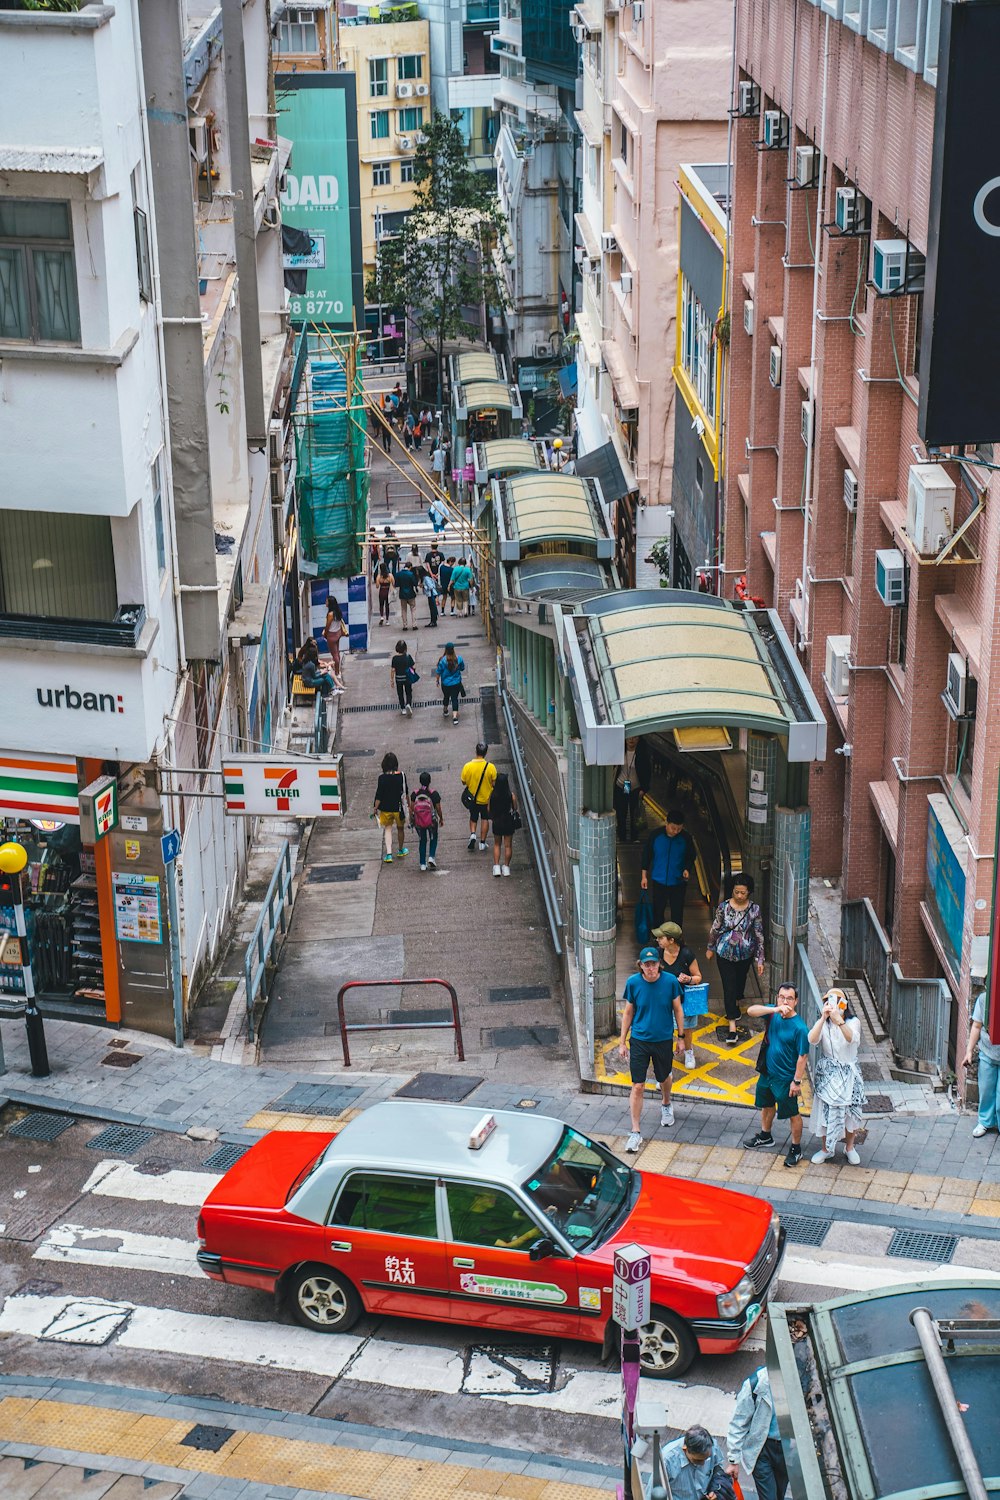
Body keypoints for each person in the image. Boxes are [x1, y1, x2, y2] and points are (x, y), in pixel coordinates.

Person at [618, 947, 685, 1152]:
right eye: (646, 964)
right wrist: (622, 1042)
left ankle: (666, 1104)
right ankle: (635, 1132)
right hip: (639, 1040)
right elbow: (628, 1013)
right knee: (638, 1085)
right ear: (641, 965)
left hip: (663, 1039)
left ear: (659, 964)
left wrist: (681, 1038)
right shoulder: (633, 983)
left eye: (654, 964)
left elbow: (678, 1010)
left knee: (664, 1077)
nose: (650, 968)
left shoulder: (671, 982)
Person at [744, 982, 811, 1167]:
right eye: (781, 997)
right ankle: (765, 1136)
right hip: (767, 1072)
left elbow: (802, 1057)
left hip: (785, 1079)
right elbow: (751, 1011)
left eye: (789, 998)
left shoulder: (800, 1028)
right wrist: (774, 1009)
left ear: (796, 1001)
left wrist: (796, 1082)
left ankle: (796, 1149)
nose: (785, 1001)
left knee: (792, 1114)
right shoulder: (773, 1013)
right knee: (766, 1105)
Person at [705, 873, 766, 1045]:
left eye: (743, 893)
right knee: (729, 986)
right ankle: (732, 1026)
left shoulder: (754, 910)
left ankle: (736, 1001)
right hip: (724, 953)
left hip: (745, 955)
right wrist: (710, 948)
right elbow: (715, 928)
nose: (739, 896)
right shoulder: (723, 907)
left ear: (749, 892)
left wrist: (760, 959)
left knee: (739, 984)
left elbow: (759, 934)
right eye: (736, 892)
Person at [809, 988, 867, 1164]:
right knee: (826, 1112)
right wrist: (822, 1018)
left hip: (849, 1073)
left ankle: (849, 1147)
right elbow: (812, 1039)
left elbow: (851, 1038)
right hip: (829, 1073)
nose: (832, 1004)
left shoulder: (853, 1021)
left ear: (844, 1004)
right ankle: (826, 1149)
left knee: (851, 1113)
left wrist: (839, 1021)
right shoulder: (824, 1024)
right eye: (828, 1001)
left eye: (836, 1001)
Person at [726, 1366, 789, 1500]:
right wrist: (733, 1460)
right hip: (762, 1449)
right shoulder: (756, 1384)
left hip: (788, 1449)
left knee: (779, 1494)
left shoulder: (800, 1382)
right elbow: (739, 1422)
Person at [653, 921, 703, 1069]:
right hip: (663, 1001)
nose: (657, 940)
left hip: (683, 1000)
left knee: (686, 1029)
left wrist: (689, 979)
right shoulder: (657, 954)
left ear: (671, 940)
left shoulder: (686, 954)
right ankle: (664, 1056)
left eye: (661, 938)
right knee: (664, 1029)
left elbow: (698, 976)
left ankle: (688, 1052)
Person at [640, 809, 695, 927]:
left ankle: (676, 939)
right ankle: (657, 938)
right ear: (667, 823)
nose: (676, 831)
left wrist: (687, 869)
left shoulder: (685, 838)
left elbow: (691, 856)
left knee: (677, 912)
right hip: (659, 880)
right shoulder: (656, 835)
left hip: (678, 882)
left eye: (679, 829)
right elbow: (647, 855)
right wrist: (644, 876)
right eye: (673, 828)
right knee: (658, 911)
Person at [965, 990, 1000, 1138]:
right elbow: (977, 1026)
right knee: (985, 1090)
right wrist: (969, 1051)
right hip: (987, 1052)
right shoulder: (984, 999)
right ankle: (985, 1122)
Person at [661, 1426, 727, 1500]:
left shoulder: (713, 1447)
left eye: (706, 1459)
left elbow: (717, 1469)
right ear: (685, 1449)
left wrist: (714, 1488)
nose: (703, 1464)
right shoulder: (667, 1460)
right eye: (698, 1460)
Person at [372, 751, 408, 863]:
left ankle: (389, 854)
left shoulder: (382, 778)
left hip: (386, 809)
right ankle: (401, 850)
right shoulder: (401, 776)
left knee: (388, 829)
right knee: (400, 828)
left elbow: (379, 795)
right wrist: (410, 807)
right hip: (399, 809)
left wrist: (375, 808)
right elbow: (406, 792)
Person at [613, 737, 651, 842]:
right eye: (629, 738)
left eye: (635, 738)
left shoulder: (642, 754)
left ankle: (635, 837)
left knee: (635, 813)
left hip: (635, 788)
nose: (631, 740)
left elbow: (647, 772)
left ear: (639, 739)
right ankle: (622, 837)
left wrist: (644, 789)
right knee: (621, 813)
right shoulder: (619, 751)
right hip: (621, 786)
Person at [461, 740, 496, 851]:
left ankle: (472, 834)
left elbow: (463, 782)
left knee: (473, 817)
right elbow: (494, 783)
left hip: (473, 799)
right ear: (485, 753)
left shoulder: (468, 766)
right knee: (485, 818)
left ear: (476, 751)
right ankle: (482, 842)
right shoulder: (491, 767)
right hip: (486, 800)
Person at [410, 770, 443, 872]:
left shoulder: (415, 794)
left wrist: (412, 820)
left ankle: (422, 864)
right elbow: (438, 808)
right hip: (431, 821)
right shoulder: (433, 794)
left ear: (420, 781)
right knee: (433, 837)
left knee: (422, 840)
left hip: (419, 822)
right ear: (430, 781)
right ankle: (431, 857)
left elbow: (412, 809)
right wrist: (441, 818)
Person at [489, 772, 519, 877]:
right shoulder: (511, 796)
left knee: (497, 844)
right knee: (508, 845)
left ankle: (496, 867)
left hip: (497, 821)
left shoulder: (492, 795)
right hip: (508, 821)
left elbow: (489, 809)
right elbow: (515, 808)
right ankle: (506, 868)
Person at [436, 642, 466, 724]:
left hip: (445, 684)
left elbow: (438, 672)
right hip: (456, 683)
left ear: (446, 650)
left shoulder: (442, 661)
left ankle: (445, 710)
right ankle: (455, 717)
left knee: (446, 696)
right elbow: (463, 668)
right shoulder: (459, 659)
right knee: (454, 699)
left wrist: (437, 680)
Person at [323, 598, 348, 689]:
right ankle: (338, 671)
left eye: (327, 601)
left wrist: (325, 634)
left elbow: (327, 626)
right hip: (338, 633)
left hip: (331, 635)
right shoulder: (338, 612)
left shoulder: (330, 614)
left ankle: (337, 673)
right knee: (337, 652)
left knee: (334, 654)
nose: (325, 603)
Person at [390, 638, 416, 717]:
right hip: (407, 678)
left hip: (398, 678)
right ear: (405, 648)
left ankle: (403, 708)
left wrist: (392, 680)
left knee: (400, 693)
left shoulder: (394, 658)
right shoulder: (408, 657)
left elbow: (393, 670)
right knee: (408, 692)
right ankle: (408, 704)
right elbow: (414, 666)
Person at [395, 556, 419, 631]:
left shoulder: (399, 574)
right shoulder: (411, 574)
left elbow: (396, 584)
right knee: (413, 609)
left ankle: (405, 625)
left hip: (402, 594)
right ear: (410, 567)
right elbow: (415, 583)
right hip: (411, 593)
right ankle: (414, 624)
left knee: (404, 610)